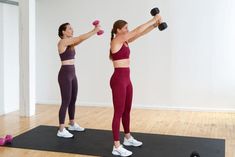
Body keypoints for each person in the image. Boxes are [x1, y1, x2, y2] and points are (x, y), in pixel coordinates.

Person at [109, 15, 161, 156]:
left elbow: (139, 33)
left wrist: (154, 26)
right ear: (118, 30)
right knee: (118, 113)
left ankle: (127, 138)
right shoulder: (117, 39)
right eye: (126, 28)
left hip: (126, 79)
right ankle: (116, 146)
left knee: (127, 110)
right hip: (119, 80)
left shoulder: (125, 41)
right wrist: (153, 18)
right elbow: (137, 30)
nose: (128, 30)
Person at [57, 22, 102, 138]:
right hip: (65, 74)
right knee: (65, 101)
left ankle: (72, 124)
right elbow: (80, 37)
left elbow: (81, 40)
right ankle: (61, 129)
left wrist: (93, 32)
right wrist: (94, 30)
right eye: (70, 29)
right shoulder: (63, 42)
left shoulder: (71, 44)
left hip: (72, 73)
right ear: (63, 32)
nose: (72, 30)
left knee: (73, 99)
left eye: (72, 28)